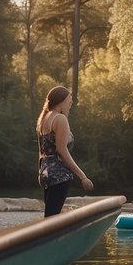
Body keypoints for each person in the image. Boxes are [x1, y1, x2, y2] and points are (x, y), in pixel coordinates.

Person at [36, 85, 93, 216]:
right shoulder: (60, 119)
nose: (71, 103)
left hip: (46, 172)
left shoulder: (43, 118)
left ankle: (48, 235)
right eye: (69, 100)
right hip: (59, 174)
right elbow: (62, 150)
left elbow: (42, 151)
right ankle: (48, 236)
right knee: (52, 217)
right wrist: (82, 176)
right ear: (60, 101)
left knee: (50, 215)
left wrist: (41, 173)